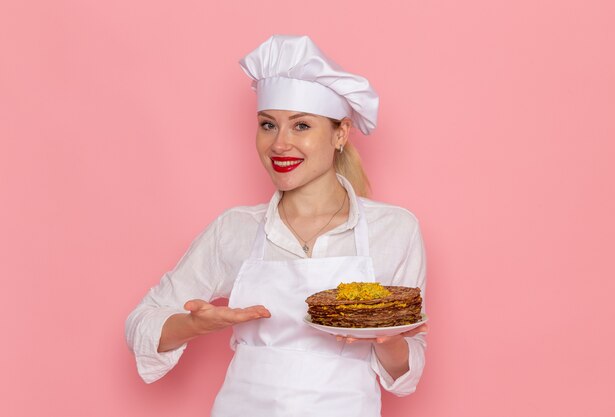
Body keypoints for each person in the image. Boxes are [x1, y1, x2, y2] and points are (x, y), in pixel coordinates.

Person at [125, 34, 428, 417]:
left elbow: (407, 368)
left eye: (301, 126)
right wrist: (194, 326)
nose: (279, 144)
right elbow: (141, 321)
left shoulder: (395, 229)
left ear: (340, 134)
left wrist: (385, 338)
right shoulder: (233, 228)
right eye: (268, 125)